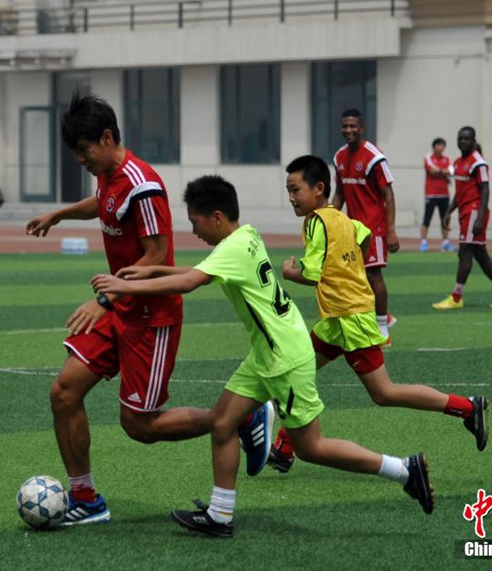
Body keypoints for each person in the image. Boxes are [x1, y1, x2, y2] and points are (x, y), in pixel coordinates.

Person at [92, 175, 434, 539]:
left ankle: (404, 470)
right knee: (222, 423)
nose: (194, 231)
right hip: (270, 352)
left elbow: (190, 282)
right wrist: (152, 270)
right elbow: (200, 274)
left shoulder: (233, 248)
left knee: (311, 448)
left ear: (218, 217)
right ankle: (220, 515)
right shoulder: (246, 236)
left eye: (195, 222)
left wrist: (125, 286)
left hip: (282, 357)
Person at [25, 93, 272, 527]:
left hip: (150, 318)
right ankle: (86, 499)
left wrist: (104, 299)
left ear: (106, 138)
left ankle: (242, 415)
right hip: (121, 308)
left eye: (83, 151)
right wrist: (60, 214)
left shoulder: (144, 185)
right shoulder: (107, 174)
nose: (81, 160)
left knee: (139, 426)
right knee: (63, 392)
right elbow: (100, 204)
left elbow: (156, 256)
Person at [266, 155, 488, 474]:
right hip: (337, 320)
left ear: (318, 189)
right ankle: (286, 447)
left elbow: (311, 272)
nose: (290, 197)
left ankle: (468, 408)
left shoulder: (315, 222)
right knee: (296, 373)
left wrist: (289, 271)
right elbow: (364, 235)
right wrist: (349, 268)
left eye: (295, 190)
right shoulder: (342, 218)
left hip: (350, 319)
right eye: (287, 190)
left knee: (384, 393)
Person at [433, 127, 492, 311]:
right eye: (460, 138)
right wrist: (449, 210)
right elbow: (460, 191)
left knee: (464, 252)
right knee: (480, 254)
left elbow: (485, 189)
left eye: (466, 138)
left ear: (473, 141)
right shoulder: (457, 163)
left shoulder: (478, 163)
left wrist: (480, 217)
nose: (462, 141)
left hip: (474, 212)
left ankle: (456, 297)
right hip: (465, 211)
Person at [333, 109, 398, 344]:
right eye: (345, 126)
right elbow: (340, 192)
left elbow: (388, 195)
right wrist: (328, 218)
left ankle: (383, 329)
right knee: (354, 275)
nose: (348, 130)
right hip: (353, 229)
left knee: (373, 274)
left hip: (374, 228)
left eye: (353, 126)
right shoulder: (339, 156)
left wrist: (391, 230)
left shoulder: (374, 157)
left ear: (362, 128)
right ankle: (384, 317)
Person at [420, 138, 455, 253]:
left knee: (444, 219)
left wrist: (442, 171)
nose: (441, 148)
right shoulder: (428, 157)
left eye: (443, 146)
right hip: (431, 194)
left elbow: (450, 171)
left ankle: (445, 243)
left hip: (444, 194)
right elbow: (432, 171)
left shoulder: (446, 159)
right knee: (427, 218)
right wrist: (443, 172)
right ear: (434, 146)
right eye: (439, 145)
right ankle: (424, 242)